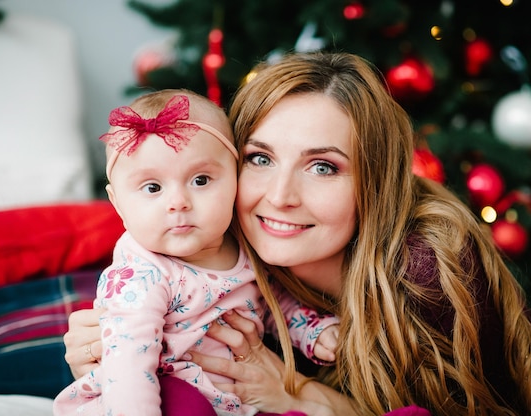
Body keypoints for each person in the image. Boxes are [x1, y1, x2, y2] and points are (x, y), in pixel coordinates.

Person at [63, 53, 531, 415]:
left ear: (373, 180)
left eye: (324, 167)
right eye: (260, 159)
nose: (281, 195)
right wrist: (107, 349)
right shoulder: (219, 242)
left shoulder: (426, 271)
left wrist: (297, 394)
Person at [53, 89, 340, 416]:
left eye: (201, 180)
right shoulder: (141, 274)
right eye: (153, 188)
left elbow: (274, 300)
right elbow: (129, 363)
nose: (178, 202)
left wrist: (313, 330)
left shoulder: (244, 244)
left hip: (236, 396)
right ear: (117, 203)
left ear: (235, 179)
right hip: (160, 392)